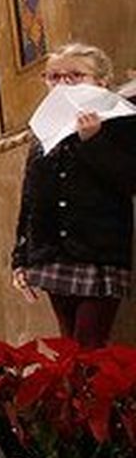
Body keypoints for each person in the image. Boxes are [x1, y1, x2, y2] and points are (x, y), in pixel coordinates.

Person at [12, 43, 136, 349]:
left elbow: (130, 180)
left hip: (98, 252)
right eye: (54, 77)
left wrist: (93, 141)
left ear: (101, 83)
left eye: (75, 76)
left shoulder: (121, 124)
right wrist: (21, 258)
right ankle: (75, 397)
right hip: (53, 252)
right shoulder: (44, 130)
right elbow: (30, 197)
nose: (63, 84)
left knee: (89, 344)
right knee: (69, 345)